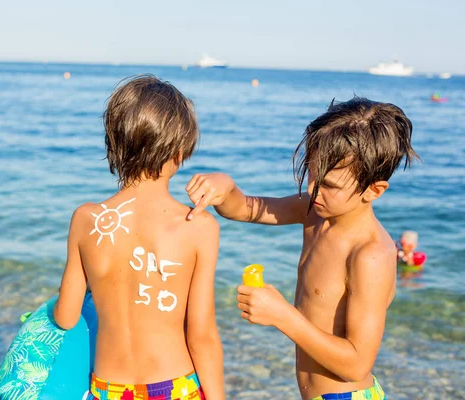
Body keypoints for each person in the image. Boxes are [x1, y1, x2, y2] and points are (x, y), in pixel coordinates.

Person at [186, 97, 419, 399]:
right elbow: (245, 209)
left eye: (330, 184)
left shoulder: (369, 254)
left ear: (374, 190)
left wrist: (282, 315)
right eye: (312, 172)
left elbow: (356, 365)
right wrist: (226, 186)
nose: (312, 189)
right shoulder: (315, 212)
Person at [54, 75, 225, 399]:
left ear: (114, 144)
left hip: (107, 389)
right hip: (175, 387)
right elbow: (201, 335)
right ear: (178, 151)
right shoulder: (198, 227)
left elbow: (66, 318)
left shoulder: (85, 219)